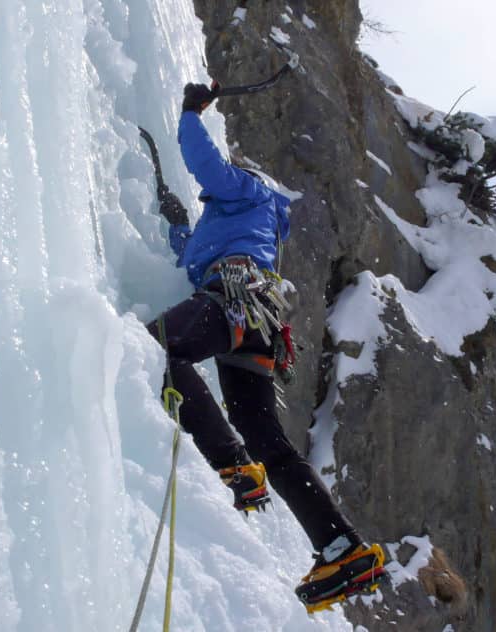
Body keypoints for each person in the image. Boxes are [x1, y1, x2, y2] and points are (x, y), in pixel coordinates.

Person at [145, 83, 387, 610]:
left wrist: (190, 114)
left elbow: (208, 168)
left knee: (157, 347)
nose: (212, 193)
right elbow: (191, 250)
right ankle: (341, 548)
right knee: (268, 441)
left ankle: (232, 463)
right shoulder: (235, 222)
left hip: (236, 298)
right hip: (256, 318)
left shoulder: (248, 191)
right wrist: (172, 215)